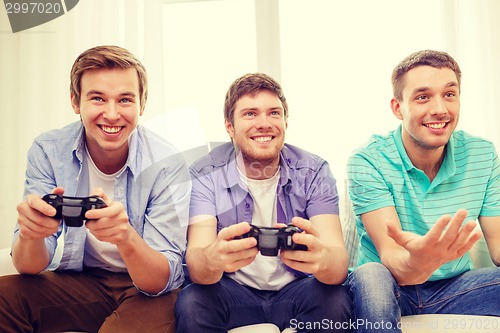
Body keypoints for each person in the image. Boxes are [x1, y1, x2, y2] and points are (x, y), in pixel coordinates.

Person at [0, 45, 190, 333]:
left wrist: (125, 237)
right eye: (97, 98)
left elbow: (160, 280)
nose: (112, 114)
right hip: (83, 281)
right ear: (76, 102)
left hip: (147, 292)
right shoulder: (48, 150)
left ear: (142, 104)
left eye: (125, 100)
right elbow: (29, 266)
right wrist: (30, 234)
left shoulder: (167, 163)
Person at [175, 72, 351, 333]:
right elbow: (199, 264)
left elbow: (337, 266)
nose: (264, 123)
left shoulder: (314, 171)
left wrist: (322, 259)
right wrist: (213, 259)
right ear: (229, 127)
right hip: (233, 292)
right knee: (192, 301)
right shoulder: (205, 173)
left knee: (335, 300)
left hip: (296, 289)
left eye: (274, 113)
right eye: (250, 114)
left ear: (285, 122)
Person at [346, 49, 500, 332]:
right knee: (371, 276)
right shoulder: (368, 160)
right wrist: (419, 261)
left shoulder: (483, 154)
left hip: (455, 288)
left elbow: (498, 246)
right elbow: (391, 255)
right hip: (391, 286)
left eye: (449, 94)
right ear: (397, 108)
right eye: (423, 97)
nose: (440, 109)